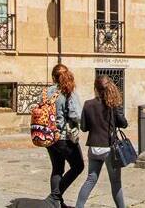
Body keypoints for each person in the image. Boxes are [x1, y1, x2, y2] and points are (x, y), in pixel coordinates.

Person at [75, 76, 128, 208]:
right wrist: (119, 111)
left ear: (95, 89)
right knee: (115, 182)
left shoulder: (88, 104)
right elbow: (123, 124)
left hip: (94, 148)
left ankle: (79, 206)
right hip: (110, 149)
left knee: (90, 179)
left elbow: (84, 128)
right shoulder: (113, 105)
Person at [46, 64, 84, 208]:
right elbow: (76, 115)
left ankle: (57, 203)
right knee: (78, 166)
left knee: (57, 168)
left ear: (53, 77)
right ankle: (54, 197)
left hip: (48, 137)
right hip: (63, 137)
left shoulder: (46, 92)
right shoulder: (68, 92)